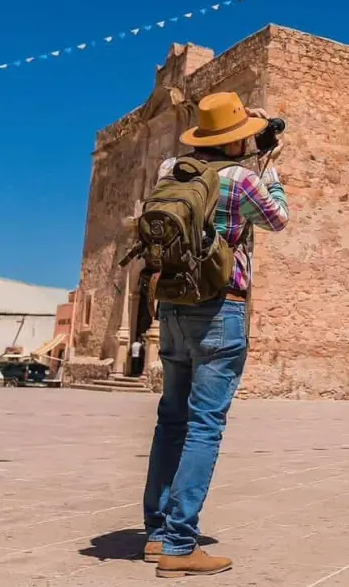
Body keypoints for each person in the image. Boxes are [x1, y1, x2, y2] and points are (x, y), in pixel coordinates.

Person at [141, 92, 289, 578]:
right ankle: (182, 545)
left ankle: (157, 534)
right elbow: (277, 220)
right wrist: (271, 169)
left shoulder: (170, 170)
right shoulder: (244, 178)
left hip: (174, 307)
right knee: (205, 425)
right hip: (220, 308)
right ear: (234, 139)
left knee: (170, 420)